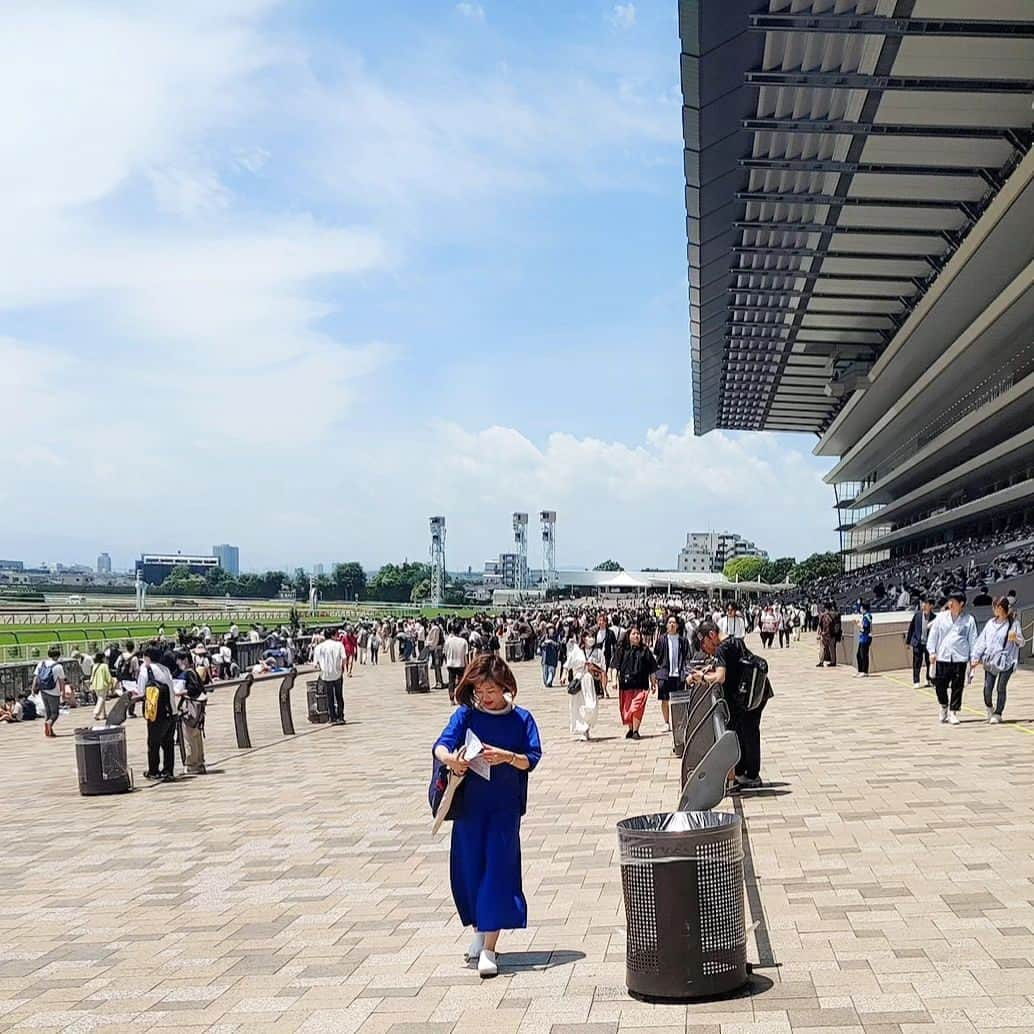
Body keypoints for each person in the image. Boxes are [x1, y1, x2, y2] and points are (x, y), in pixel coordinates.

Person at [432, 655, 542, 978]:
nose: (485, 696)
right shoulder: (466, 715)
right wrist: (453, 759)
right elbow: (440, 746)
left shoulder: (522, 719)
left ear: (506, 686)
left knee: (497, 871)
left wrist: (507, 757)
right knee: (469, 872)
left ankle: (490, 947)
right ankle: (479, 930)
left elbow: (531, 759)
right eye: (480, 689)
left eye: (491, 689)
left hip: (504, 810)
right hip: (469, 809)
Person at [690, 620, 770, 789]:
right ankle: (745, 773)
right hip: (756, 693)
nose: (706, 649)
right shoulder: (735, 641)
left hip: (746, 698)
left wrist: (701, 677)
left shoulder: (721, 648)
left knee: (745, 734)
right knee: (748, 733)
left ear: (711, 635)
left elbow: (721, 677)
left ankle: (750, 775)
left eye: (704, 644)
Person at [928, 590, 978, 725]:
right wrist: (931, 652)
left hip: (960, 657)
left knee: (957, 686)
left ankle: (953, 712)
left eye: (954, 602)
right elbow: (933, 635)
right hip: (943, 657)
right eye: (950, 601)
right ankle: (944, 704)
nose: (950, 604)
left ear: (961, 604)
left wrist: (974, 657)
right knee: (940, 685)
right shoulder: (941, 617)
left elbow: (973, 639)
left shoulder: (969, 620)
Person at [971, 596, 1024, 724]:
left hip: (1007, 660)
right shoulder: (990, 623)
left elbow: (1022, 642)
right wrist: (975, 657)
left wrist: (1016, 638)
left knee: (1001, 687)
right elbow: (982, 641)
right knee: (987, 688)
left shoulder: (1013, 624)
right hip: (990, 659)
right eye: (994, 607)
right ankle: (989, 707)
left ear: (1002, 608)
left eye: (997, 607)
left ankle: (998, 713)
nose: (995, 609)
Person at [138, 646, 177, 781]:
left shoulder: (146, 669)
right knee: (168, 743)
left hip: (156, 712)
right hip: (171, 710)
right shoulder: (165, 669)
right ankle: (168, 770)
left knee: (153, 744)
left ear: (147, 657)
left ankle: (153, 770)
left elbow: (141, 691)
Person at [614, 626, 657, 740]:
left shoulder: (645, 650)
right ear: (628, 636)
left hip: (641, 685)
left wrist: (653, 683)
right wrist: (614, 680)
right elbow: (615, 667)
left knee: (636, 707)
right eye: (633, 633)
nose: (636, 636)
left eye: (638, 634)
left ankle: (636, 730)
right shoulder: (622, 650)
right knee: (627, 709)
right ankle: (631, 728)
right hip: (626, 685)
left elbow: (652, 668)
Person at [652, 616, 691, 732]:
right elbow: (656, 656)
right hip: (664, 674)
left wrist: (686, 671)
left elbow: (687, 657)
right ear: (666, 625)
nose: (672, 625)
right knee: (664, 699)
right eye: (669, 622)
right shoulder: (661, 639)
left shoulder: (683, 640)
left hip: (678, 674)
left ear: (678, 626)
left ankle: (679, 722)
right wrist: (655, 674)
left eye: (674, 623)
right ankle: (666, 722)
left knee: (679, 700)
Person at [173, 649, 207, 774]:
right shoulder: (194, 672)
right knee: (196, 736)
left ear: (185, 660)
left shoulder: (188, 673)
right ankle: (199, 762)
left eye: (179, 660)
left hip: (190, 709)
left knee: (189, 737)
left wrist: (180, 693)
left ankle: (192, 764)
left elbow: (194, 689)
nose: (177, 663)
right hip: (199, 710)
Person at [564, 631, 600, 741]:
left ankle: (587, 726)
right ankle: (583, 729)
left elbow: (602, 667)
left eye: (593, 636)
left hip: (589, 680)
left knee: (591, 705)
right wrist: (564, 675)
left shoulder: (598, 651)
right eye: (589, 636)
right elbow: (568, 664)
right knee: (579, 705)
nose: (591, 639)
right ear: (584, 638)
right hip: (579, 680)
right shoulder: (576, 650)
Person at [312, 628, 347, 725]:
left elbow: (315, 664)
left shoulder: (318, 647)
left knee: (329, 697)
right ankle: (341, 716)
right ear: (332, 635)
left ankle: (332, 717)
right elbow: (344, 658)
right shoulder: (339, 645)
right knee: (339, 696)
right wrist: (342, 668)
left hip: (325, 675)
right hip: (337, 673)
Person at [33, 646, 66, 738]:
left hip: (43, 690)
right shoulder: (58, 666)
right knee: (55, 713)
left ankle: (49, 731)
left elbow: (36, 677)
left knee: (48, 712)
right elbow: (61, 681)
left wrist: (33, 689)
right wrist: (62, 692)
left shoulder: (41, 663)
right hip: (54, 692)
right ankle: (49, 724)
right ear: (57, 656)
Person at [905, 599, 935, 688]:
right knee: (917, 662)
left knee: (929, 662)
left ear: (931, 606)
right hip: (917, 643)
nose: (924, 605)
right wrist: (908, 642)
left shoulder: (934, 617)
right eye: (923, 603)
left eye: (926, 604)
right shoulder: (917, 615)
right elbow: (911, 628)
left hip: (929, 644)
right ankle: (916, 680)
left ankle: (928, 679)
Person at [444, 624, 470, 704]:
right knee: (460, 682)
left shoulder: (448, 641)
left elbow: (445, 653)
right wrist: (467, 666)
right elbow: (466, 655)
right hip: (460, 664)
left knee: (451, 681)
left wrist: (446, 662)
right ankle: (460, 698)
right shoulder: (463, 641)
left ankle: (451, 699)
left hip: (450, 664)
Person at [90, 651, 116, 721]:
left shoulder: (94, 665)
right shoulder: (104, 666)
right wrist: (111, 683)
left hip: (95, 685)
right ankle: (96, 713)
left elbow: (92, 676)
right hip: (102, 685)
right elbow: (108, 676)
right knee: (101, 699)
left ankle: (103, 714)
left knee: (101, 699)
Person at [817, 602, 839, 667]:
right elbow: (837, 625)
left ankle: (821, 662)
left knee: (822, 647)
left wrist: (819, 633)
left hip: (824, 634)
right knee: (832, 648)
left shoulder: (822, 615)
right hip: (832, 634)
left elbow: (820, 625)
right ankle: (833, 662)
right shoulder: (834, 614)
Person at [855, 601, 873, 678]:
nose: (860, 609)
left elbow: (865, 627)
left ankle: (865, 671)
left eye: (861, 608)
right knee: (859, 654)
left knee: (864, 655)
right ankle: (860, 670)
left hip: (866, 638)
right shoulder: (865, 616)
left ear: (864, 609)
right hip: (862, 638)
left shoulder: (867, 616)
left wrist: (858, 624)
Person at [427, 620, 445, 690]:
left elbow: (435, 640)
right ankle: (438, 682)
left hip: (437, 649)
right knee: (436, 666)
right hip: (436, 648)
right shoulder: (437, 628)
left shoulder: (435, 628)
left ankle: (439, 682)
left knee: (437, 666)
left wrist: (429, 645)